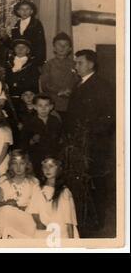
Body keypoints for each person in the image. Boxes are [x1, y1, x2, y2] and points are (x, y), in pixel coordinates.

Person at [66, 49, 115, 230]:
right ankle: (85, 220)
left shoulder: (102, 86)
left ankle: (97, 223)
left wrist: (89, 135)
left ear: (90, 64)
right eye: (76, 63)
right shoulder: (80, 84)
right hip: (80, 144)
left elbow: (109, 117)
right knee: (83, 183)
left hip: (94, 146)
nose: (76, 66)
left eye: (79, 63)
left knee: (96, 182)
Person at [27, 157, 79, 238]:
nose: (47, 170)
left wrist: (70, 242)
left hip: (61, 231)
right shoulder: (37, 188)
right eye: (45, 167)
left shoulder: (64, 191)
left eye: (51, 166)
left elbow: (69, 220)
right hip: (43, 230)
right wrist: (39, 223)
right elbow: (34, 211)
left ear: (58, 168)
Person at [0, 150, 39, 238]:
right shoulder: (4, 180)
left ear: (27, 165)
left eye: (22, 163)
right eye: (15, 163)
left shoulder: (33, 182)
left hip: (25, 218)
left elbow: (36, 207)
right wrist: (6, 203)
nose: (18, 167)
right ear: (11, 165)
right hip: (6, 216)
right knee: (6, 210)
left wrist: (19, 208)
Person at [20, 94, 63, 178]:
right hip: (36, 157)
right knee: (38, 177)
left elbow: (60, 138)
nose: (43, 108)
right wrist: (32, 141)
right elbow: (23, 142)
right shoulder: (29, 122)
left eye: (46, 105)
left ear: (51, 107)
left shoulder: (55, 121)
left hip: (52, 156)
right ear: (34, 107)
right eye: (40, 105)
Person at [40, 32, 78, 122]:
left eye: (65, 45)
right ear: (54, 48)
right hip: (53, 103)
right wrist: (59, 91)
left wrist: (70, 90)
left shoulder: (75, 64)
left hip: (70, 103)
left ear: (70, 49)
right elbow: (45, 84)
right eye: (59, 45)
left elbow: (78, 81)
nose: (62, 47)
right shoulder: (48, 65)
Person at [5, 38, 40, 113]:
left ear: (28, 50)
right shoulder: (8, 63)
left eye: (23, 47)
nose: (20, 49)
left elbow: (33, 83)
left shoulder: (32, 65)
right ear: (14, 49)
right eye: (17, 47)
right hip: (10, 97)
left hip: (25, 99)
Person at [10, 0, 46, 66]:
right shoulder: (16, 26)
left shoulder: (36, 24)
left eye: (27, 9)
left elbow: (40, 44)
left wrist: (39, 61)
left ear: (31, 11)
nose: (24, 11)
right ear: (18, 11)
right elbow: (14, 43)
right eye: (22, 9)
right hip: (19, 58)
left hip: (33, 59)